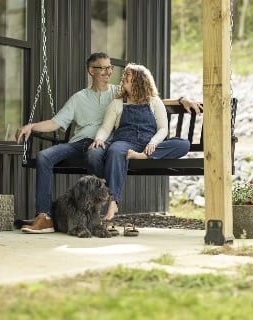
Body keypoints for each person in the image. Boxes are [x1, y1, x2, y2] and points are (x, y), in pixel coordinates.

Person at [16, 52, 201, 233]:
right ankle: (44, 216)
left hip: (104, 145)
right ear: (91, 71)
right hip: (81, 143)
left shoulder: (117, 92)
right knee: (43, 156)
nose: (108, 72)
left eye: (109, 68)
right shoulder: (80, 98)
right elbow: (56, 122)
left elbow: (146, 97)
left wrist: (180, 99)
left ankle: (99, 205)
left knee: (95, 154)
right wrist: (32, 126)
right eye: (102, 68)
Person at [88, 63, 191, 222]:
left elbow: (163, 129)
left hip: (148, 145)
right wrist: (99, 139)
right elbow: (105, 128)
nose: (124, 79)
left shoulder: (154, 102)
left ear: (139, 80)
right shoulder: (117, 103)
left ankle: (142, 156)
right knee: (115, 150)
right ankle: (113, 202)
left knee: (184, 144)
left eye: (128, 76)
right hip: (125, 142)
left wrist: (153, 143)